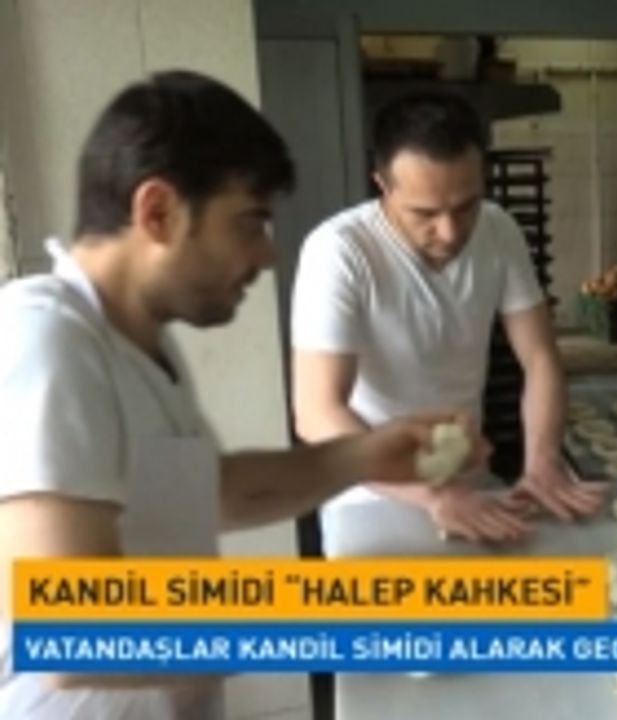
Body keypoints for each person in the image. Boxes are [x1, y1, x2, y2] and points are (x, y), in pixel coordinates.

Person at [0, 71, 483, 720]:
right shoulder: (46, 338)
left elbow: (216, 493)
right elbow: (72, 630)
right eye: (250, 223)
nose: (267, 255)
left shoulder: (136, 345)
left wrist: (365, 455)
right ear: (158, 212)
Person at [290, 92, 604, 547]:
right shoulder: (340, 252)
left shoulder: (498, 231)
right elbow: (318, 413)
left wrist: (541, 460)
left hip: (471, 487)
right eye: (425, 213)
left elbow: (539, 358)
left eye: (466, 206)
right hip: (370, 498)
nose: (451, 231)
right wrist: (432, 494)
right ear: (383, 185)